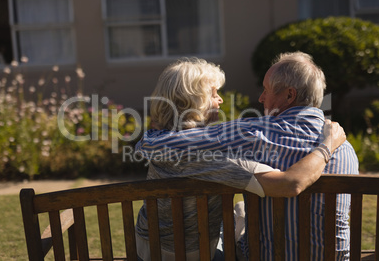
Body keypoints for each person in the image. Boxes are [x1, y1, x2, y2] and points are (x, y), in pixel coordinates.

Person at [134, 57, 348, 260]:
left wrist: (146, 142)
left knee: (240, 213)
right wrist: (326, 146)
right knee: (240, 217)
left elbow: (149, 144)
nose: (220, 99)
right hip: (191, 254)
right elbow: (290, 183)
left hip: (148, 249)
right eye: (213, 93)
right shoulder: (215, 157)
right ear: (193, 101)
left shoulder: (164, 139)